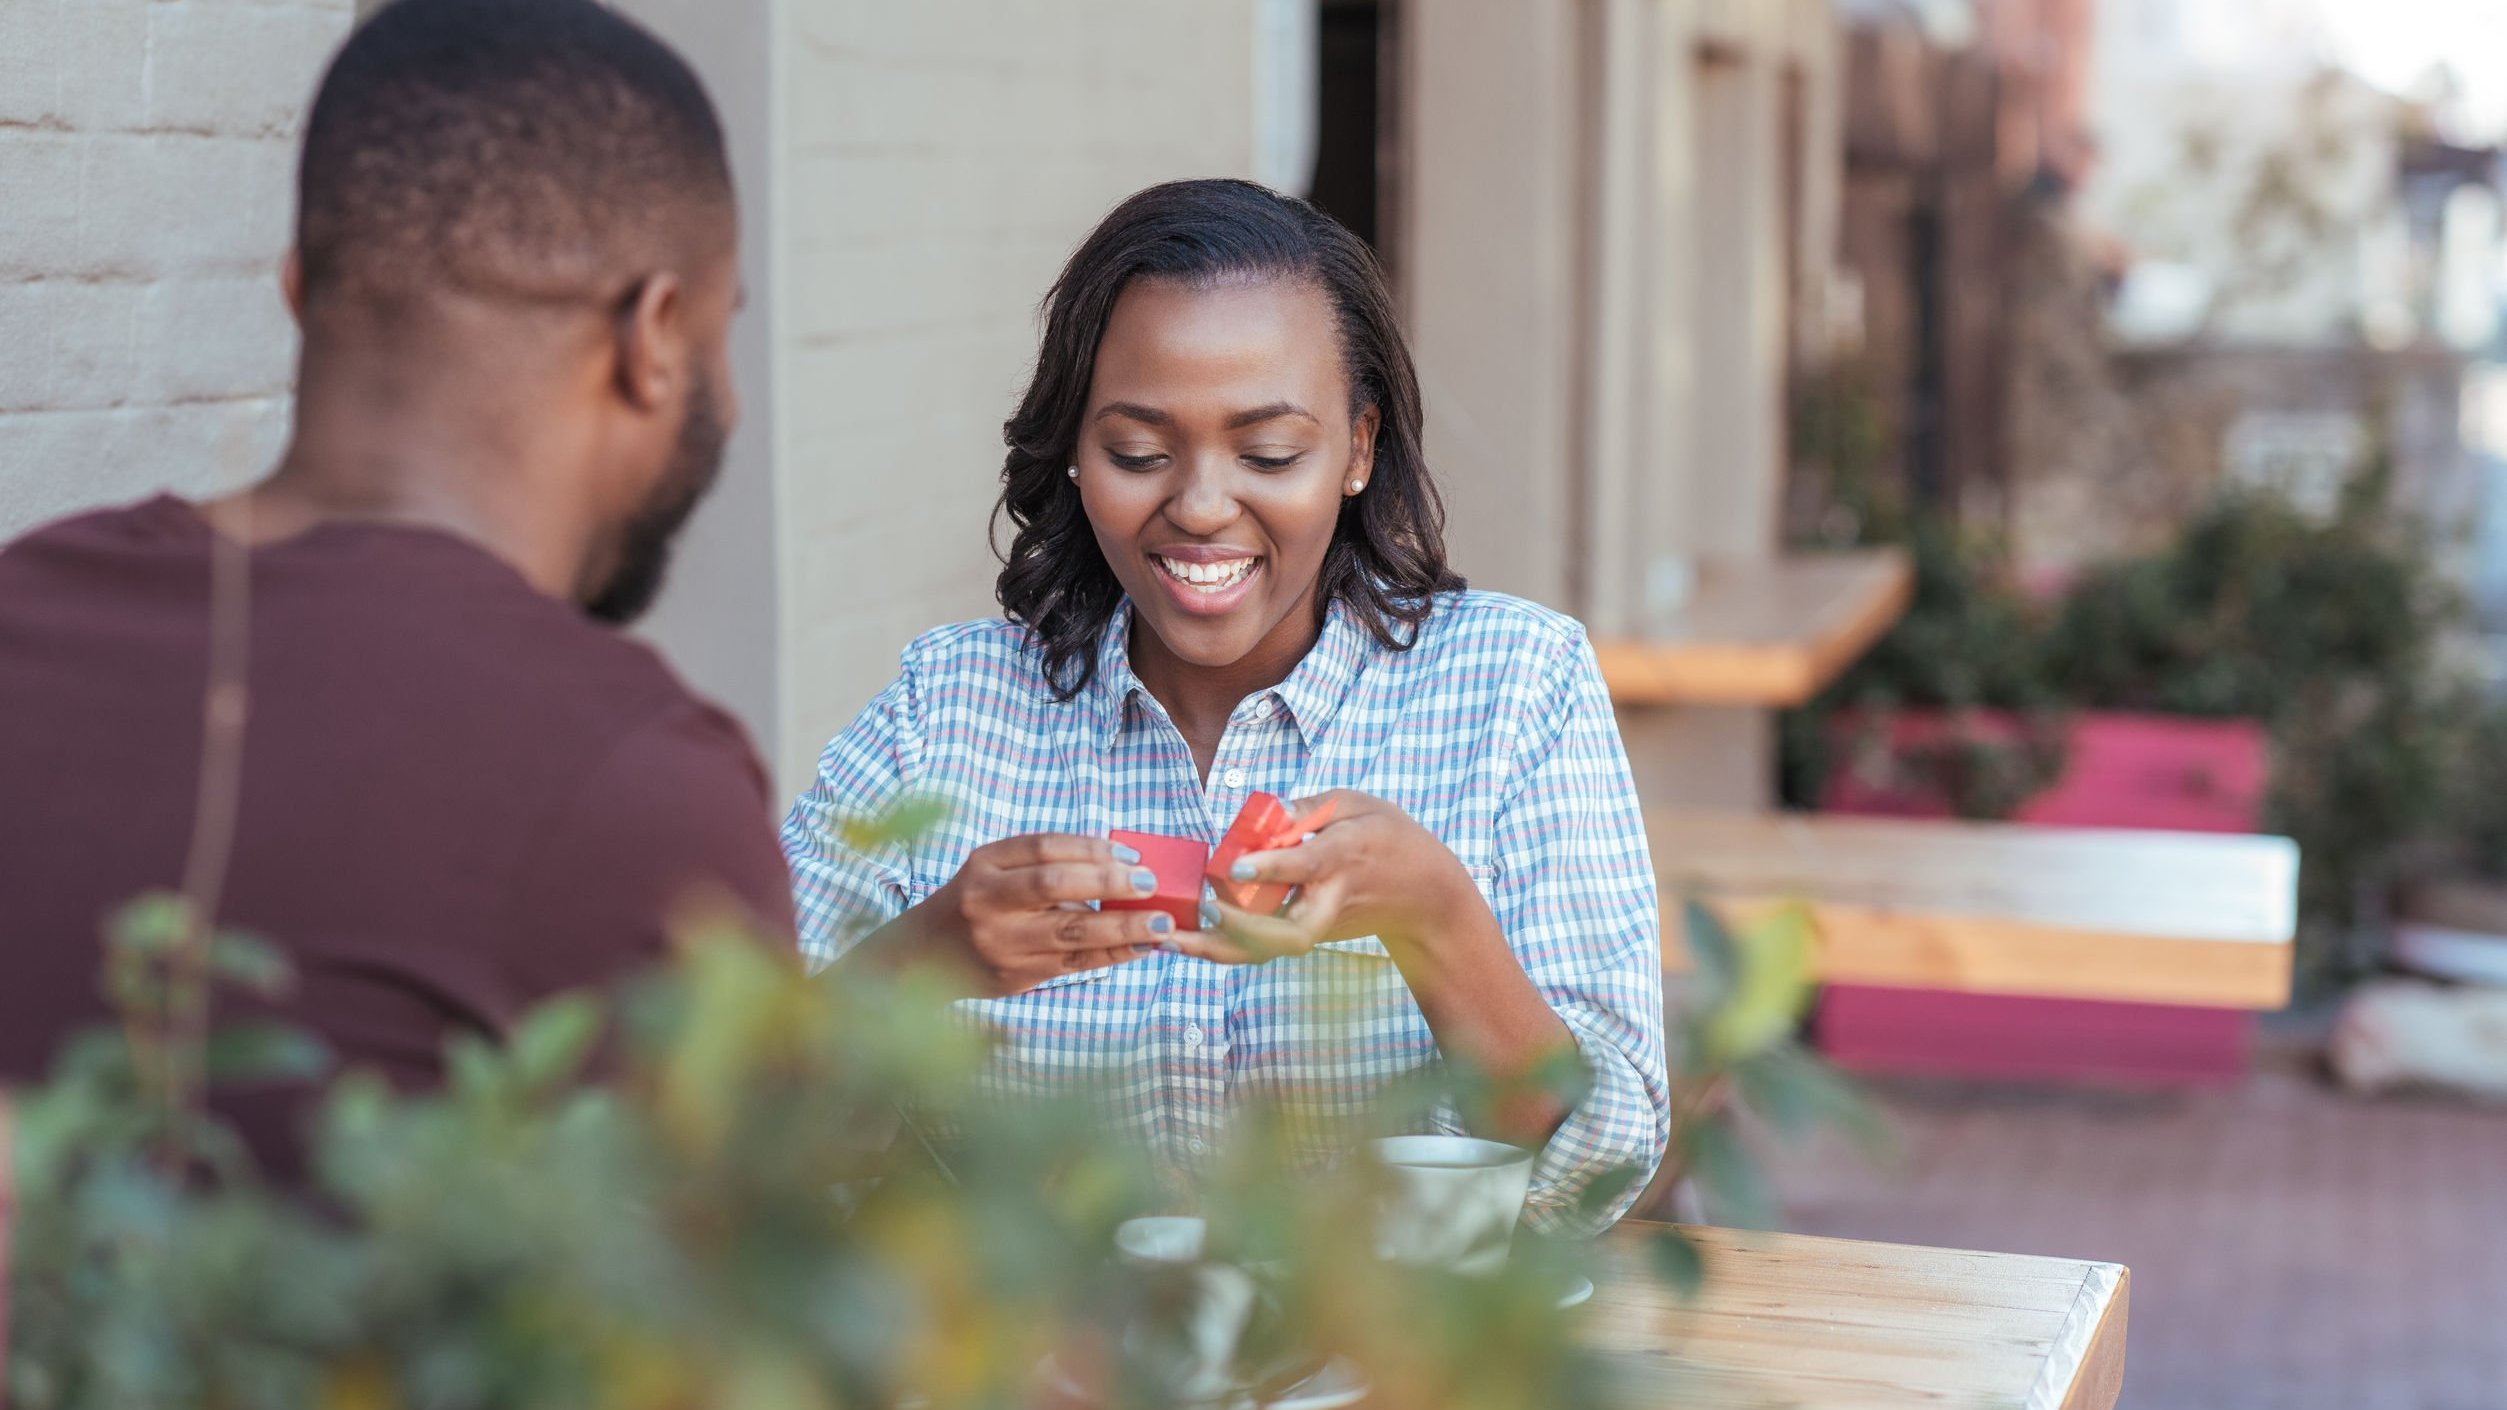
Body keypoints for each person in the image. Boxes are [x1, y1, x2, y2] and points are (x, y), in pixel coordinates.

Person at [781, 179, 1670, 1230]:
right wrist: (920, 961)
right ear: (1071, 450)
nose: (1200, 507)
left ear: (1358, 449)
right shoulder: (946, 712)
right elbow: (722, 1128)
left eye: (1268, 453)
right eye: (1139, 453)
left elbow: (1598, 1167)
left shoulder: (1516, 687)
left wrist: (1434, 919)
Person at [0, 0, 792, 1177]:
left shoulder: (25, 609)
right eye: (724, 334)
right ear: (656, 336)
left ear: (297, 288)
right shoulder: (638, 782)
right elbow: (755, 1320)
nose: (723, 397)